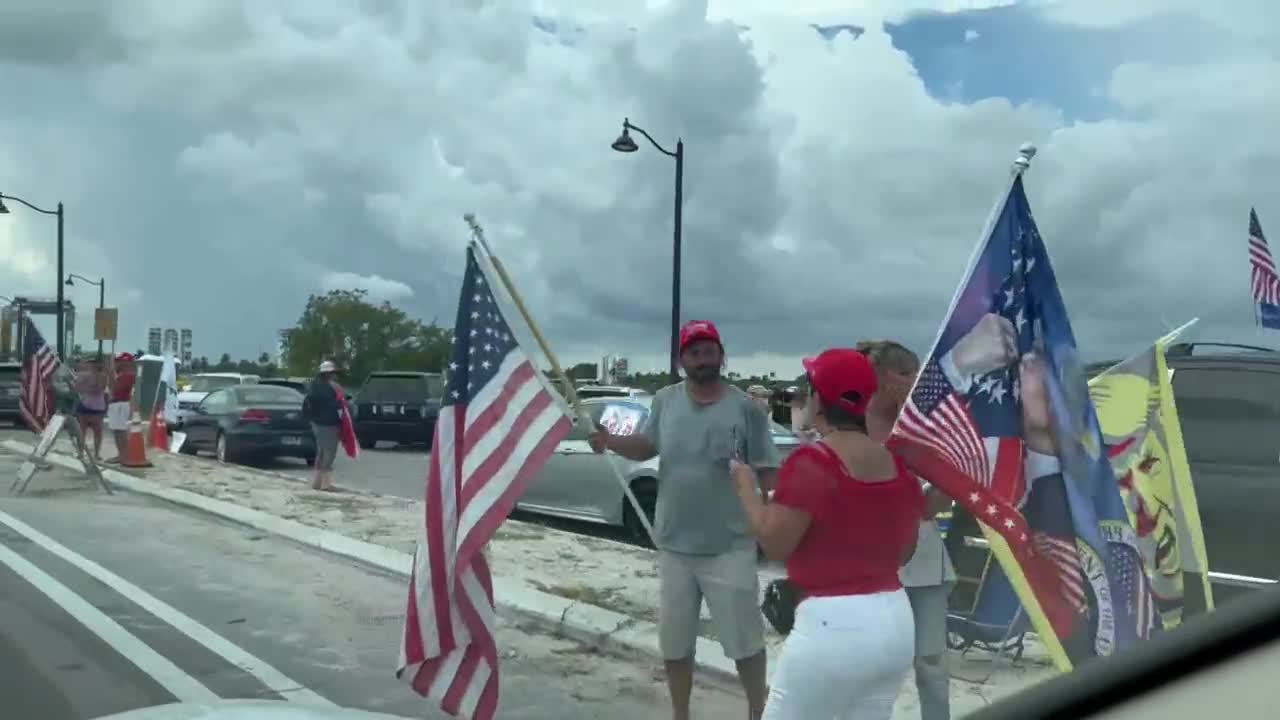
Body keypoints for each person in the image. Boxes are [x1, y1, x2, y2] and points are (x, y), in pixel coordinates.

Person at [589, 319, 779, 720]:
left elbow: (766, 471)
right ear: (682, 360)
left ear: (721, 356)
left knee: (745, 642)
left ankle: (758, 713)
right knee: (675, 644)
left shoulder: (747, 407)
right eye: (694, 352)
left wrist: (771, 522)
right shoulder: (665, 401)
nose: (703, 358)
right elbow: (646, 446)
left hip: (730, 546)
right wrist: (610, 441)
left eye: (710, 350)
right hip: (674, 545)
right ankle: (680, 713)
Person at [729, 348, 924, 720]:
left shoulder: (813, 463)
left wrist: (746, 491)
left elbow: (774, 543)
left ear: (819, 400)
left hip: (832, 625)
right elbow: (905, 552)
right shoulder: (897, 465)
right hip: (895, 621)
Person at [858, 339, 956, 720]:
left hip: (924, 562)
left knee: (932, 665)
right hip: (865, 565)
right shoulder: (852, 423)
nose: (915, 382)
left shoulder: (924, 425)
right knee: (872, 667)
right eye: (907, 374)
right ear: (882, 377)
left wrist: (946, 487)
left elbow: (937, 499)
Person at [304, 360, 343, 491]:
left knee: (321, 451)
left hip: (316, 423)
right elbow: (338, 405)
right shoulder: (331, 387)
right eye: (333, 372)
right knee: (329, 452)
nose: (335, 375)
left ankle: (317, 482)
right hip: (328, 424)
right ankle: (326, 484)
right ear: (329, 374)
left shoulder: (314, 386)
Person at [73, 356, 109, 461]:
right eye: (90, 363)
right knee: (81, 431)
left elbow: (98, 389)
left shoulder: (102, 376)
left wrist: (87, 384)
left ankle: (96, 454)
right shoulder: (83, 375)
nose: (92, 365)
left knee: (97, 431)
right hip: (85, 405)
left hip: (97, 407)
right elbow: (77, 388)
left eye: (94, 363)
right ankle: (81, 453)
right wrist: (84, 384)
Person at [103, 353, 137, 464]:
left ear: (125, 363)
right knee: (117, 432)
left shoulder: (128, 375)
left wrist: (110, 373)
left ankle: (124, 456)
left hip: (120, 405)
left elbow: (115, 389)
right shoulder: (121, 374)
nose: (116, 363)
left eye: (118, 361)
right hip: (116, 405)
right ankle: (121, 454)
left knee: (120, 432)